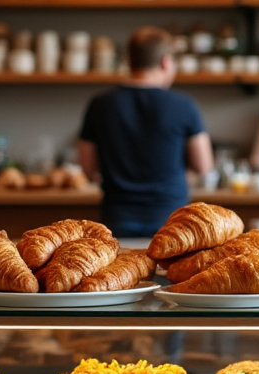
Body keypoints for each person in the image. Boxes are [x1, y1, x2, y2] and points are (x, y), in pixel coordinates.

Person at [78, 27, 214, 237]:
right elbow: (204, 165)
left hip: (118, 216)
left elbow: (88, 168)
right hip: (171, 220)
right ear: (165, 62)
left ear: (130, 60)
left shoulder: (100, 104)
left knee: (122, 260)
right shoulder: (184, 105)